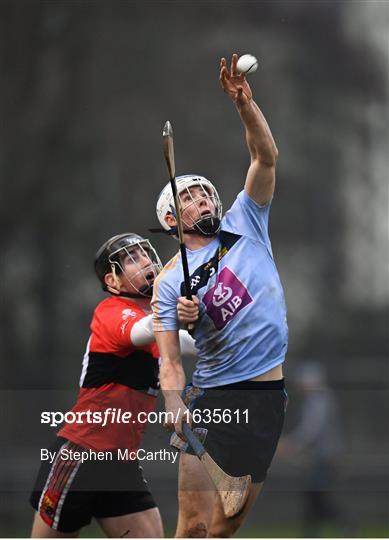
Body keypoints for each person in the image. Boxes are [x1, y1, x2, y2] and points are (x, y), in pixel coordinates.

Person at [151, 54, 288, 537]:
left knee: (226, 527)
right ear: (172, 222)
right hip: (212, 397)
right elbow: (169, 358)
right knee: (191, 525)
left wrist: (245, 106)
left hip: (266, 395)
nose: (202, 200)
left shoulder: (246, 222)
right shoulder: (169, 282)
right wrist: (173, 400)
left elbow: (264, 157)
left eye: (205, 193)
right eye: (187, 198)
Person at [30, 233, 196, 538]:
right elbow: (145, 329)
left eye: (144, 253)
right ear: (114, 281)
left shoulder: (158, 323)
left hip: (122, 462)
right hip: (81, 456)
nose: (145, 261)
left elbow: (192, 343)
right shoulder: (112, 312)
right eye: (131, 259)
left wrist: (207, 320)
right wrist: (173, 307)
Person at [279, 362, 344, 537]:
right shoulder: (318, 399)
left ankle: (346, 526)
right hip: (319, 458)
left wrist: (293, 444)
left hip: (323, 458)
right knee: (313, 499)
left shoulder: (319, 400)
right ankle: (313, 534)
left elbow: (312, 428)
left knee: (317, 499)